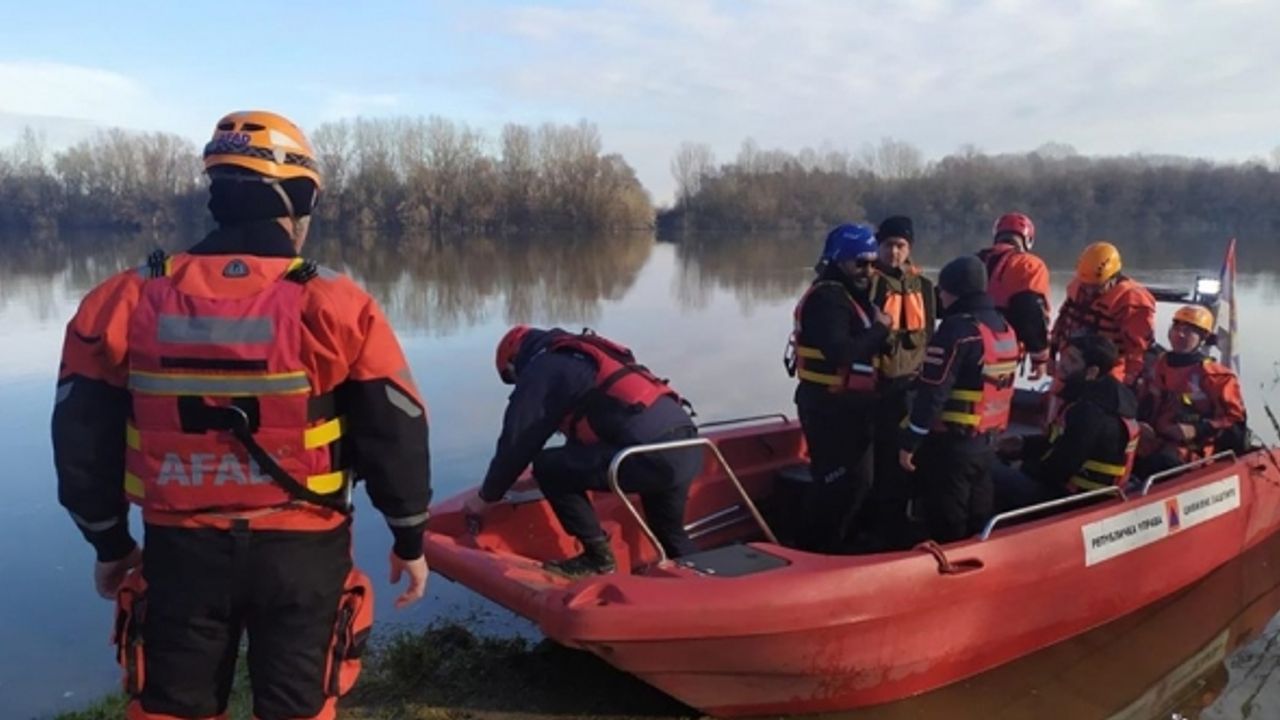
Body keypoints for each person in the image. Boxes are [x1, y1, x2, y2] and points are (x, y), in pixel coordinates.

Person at [52, 111, 432, 720]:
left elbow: (80, 434)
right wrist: (409, 537)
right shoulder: (335, 303)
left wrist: (108, 542)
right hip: (304, 552)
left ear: (218, 195)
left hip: (181, 550)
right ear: (299, 199)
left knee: (172, 709)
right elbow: (397, 426)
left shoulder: (125, 299)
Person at [464, 326, 700, 578]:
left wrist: (488, 496)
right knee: (669, 532)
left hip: (647, 455)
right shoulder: (582, 357)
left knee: (548, 466)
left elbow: (518, 441)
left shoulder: (543, 368)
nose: (517, 382)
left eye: (512, 377)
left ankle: (597, 559)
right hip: (686, 444)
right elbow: (595, 430)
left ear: (515, 359)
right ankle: (704, 580)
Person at [784, 223, 891, 552]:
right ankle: (815, 548)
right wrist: (880, 331)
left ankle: (841, 543)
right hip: (828, 407)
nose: (868, 271)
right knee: (840, 484)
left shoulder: (850, 296)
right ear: (838, 260)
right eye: (860, 263)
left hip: (850, 406)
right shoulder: (827, 299)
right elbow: (841, 352)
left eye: (873, 263)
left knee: (858, 483)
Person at [899, 256, 1019, 543]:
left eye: (942, 290)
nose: (939, 296)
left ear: (954, 291)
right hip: (987, 442)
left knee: (947, 519)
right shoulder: (1004, 327)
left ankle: (948, 564)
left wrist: (910, 442)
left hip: (951, 446)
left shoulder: (957, 330)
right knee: (979, 513)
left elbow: (933, 392)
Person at [993, 335, 1140, 510]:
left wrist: (1024, 465)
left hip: (1074, 500)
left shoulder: (1090, 412)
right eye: (1064, 356)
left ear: (1092, 372)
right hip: (1085, 495)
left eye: (1072, 361)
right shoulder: (1104, 398)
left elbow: (1059, 469)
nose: (1062, 363)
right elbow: (1060, 443)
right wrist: (1023, 444)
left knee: (987, 470)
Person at [867, 215, 937, 542]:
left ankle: (897, 524)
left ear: (909, 248)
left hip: (911, 385)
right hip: (876, 387)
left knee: (904, 461)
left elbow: (931, 334)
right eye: (887, 245)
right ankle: (877, 525)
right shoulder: (868, 282)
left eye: (900, 245)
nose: (893, 252)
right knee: (879, 460)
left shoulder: (923, 286)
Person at [1137, 305, 1247, 476]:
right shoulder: (1158, 364)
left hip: (1190, 451)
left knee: (1159, 463)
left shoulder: (1216, 376)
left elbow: (1235, 421)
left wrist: (1196, 430)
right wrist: (1140, 423)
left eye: (1188, 331)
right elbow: (1145, 400)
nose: (1180, 335)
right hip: (1152, 441)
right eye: (1177, 329)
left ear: (1203, 338)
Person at [1050, 241, 1156, 386]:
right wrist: (1051, 353)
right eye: (1086, 286)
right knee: (1056, 394)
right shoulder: (1078, 287)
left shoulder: (1130, 300)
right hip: (1071, 365)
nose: (1089, 291)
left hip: (1107, 374)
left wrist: (1131, 380)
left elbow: (1138, 349)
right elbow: (1063, 321)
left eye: (1096, 287)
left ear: (1113, 278)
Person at [978, 212, 1052, 380]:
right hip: (1001, 351)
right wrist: (1039, 356)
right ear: (1028, 240)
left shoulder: (975, 261)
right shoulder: (1030, 265)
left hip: (965, 345)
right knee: (994, 394)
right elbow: (1031, 311)